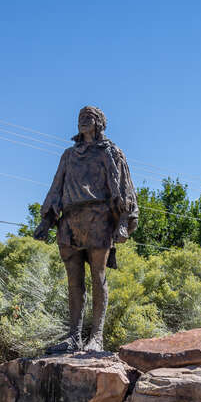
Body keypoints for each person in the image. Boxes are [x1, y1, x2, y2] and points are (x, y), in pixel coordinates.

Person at [34, 106, 138, 352]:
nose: (83, 121)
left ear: (99, 123)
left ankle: (97, 337)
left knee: (97, 276)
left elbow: (125, 189)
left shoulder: (111, 153)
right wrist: (46, 220)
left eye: (89, 118)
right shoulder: (69, 155)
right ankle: (74, 337)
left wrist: (123, 221)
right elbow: (56, 187)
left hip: (98, 218)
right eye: (80, 118)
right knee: (73, 282)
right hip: (70, 221)